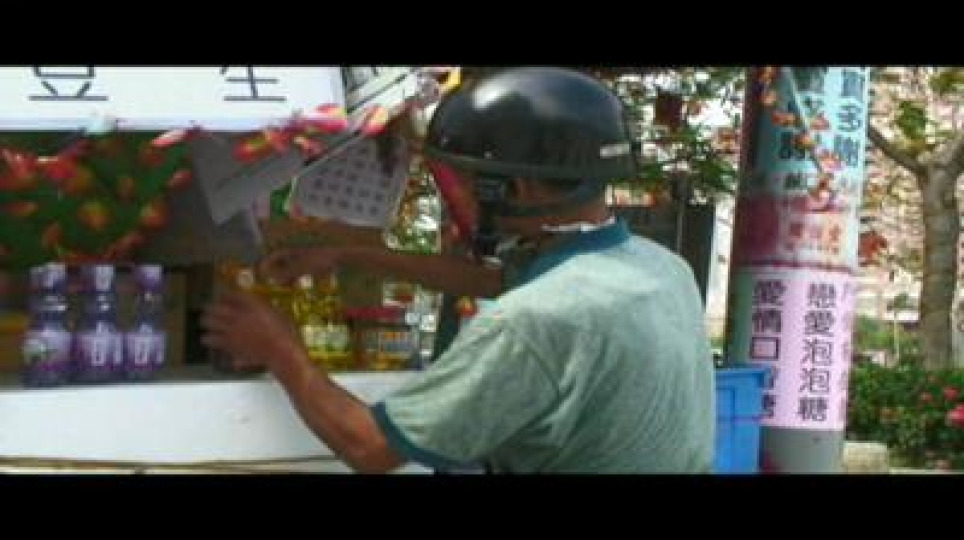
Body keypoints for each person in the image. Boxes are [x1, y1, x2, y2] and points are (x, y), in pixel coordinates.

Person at [202, 67, 715, 473]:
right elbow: (489, 279)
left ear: (517, 189)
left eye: (468, 182)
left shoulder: (531, 322)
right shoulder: (661, 268)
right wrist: (345, 255)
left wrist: (279, 348)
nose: (458, 196)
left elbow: (370, 447)